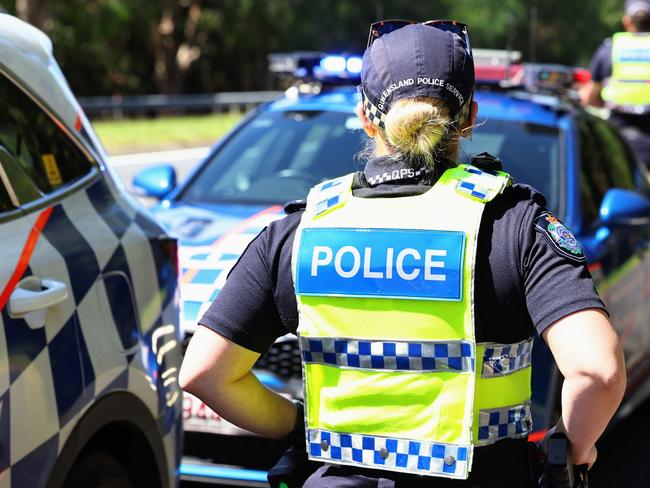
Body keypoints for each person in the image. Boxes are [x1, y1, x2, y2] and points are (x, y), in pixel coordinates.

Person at [180, 20, 626, 487]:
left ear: (366, 117)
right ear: (470, 117)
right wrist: (570, 449)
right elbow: (596, 370)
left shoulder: (299, 232)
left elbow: (205, 373)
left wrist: (299, 425)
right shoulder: (517, 226)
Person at [581, 0, 650, 169]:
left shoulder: (610, 49)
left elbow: (588, 96)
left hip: (618, 144)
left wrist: (605, 102)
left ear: (626, 21)